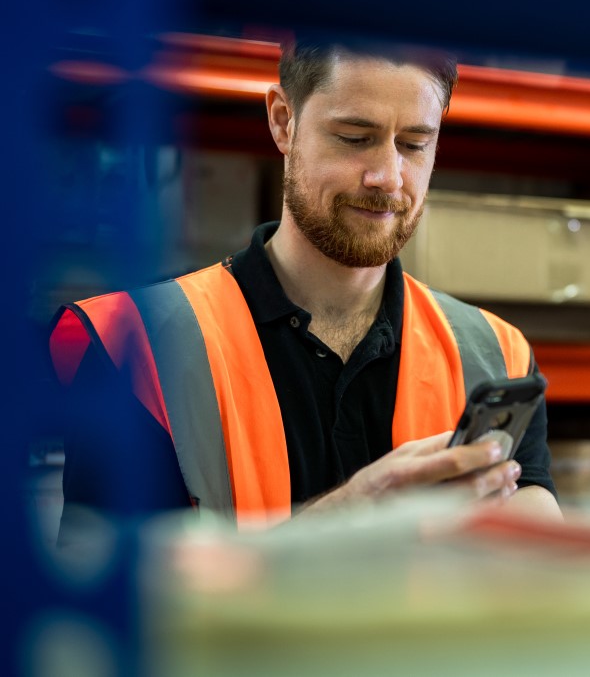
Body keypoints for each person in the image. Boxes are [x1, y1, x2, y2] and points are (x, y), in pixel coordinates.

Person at [49, 35, 561, 544]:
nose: (387, 175)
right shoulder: (133, 347)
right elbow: (102, 599)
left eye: (413, 144)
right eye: (354, 137)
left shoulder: (497, 354)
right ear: (282, 121)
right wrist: (350, 517)